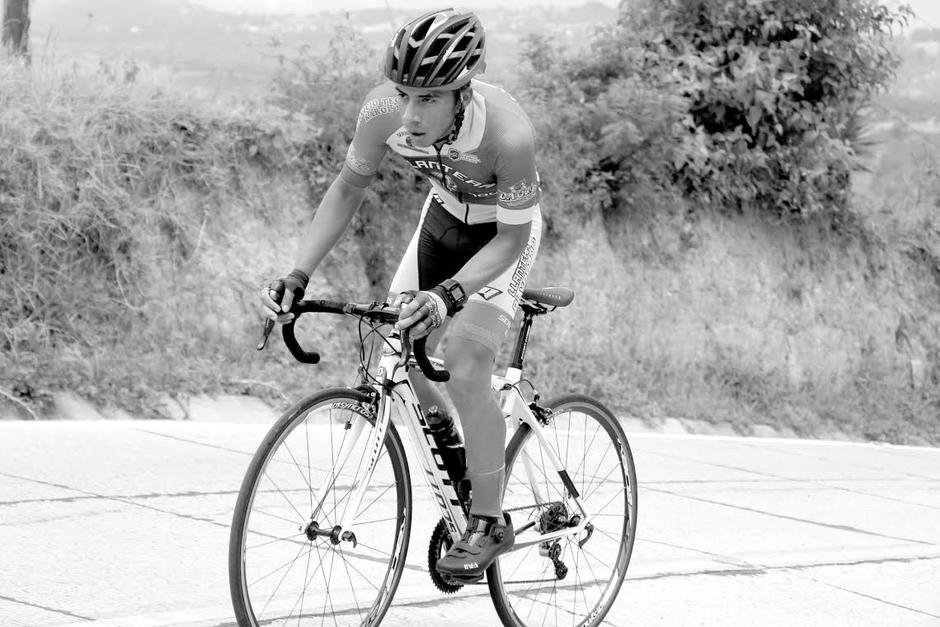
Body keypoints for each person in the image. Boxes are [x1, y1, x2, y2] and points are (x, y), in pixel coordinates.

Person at [260, 8, 542, 582]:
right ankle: (455, 454)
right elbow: (347, 188)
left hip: (502, 237)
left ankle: (490, 521)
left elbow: (512, 238)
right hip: (442, 220)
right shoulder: (381, 111)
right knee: (397, 344)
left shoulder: (508, 135)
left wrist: (449, 295)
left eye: (428, 98)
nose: (410, 114)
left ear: (462, 94)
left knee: (465, 362)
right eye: (404, 94)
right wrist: (298, 273)